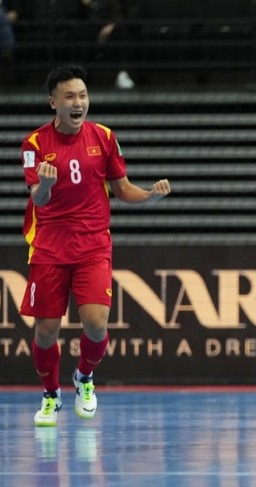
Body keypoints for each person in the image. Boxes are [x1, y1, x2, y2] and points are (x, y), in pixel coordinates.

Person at [20, 64, 171, 427]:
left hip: (92, 245)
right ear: (53, 102)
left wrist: (149, 196)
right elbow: (37, 201)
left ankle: (84, 378)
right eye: (69, 96)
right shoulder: (34, 145)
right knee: (45, 331)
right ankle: (50, 395)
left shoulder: (103, 137)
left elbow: (122, 188)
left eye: (83, 95)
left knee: (96, 324)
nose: (78, 102)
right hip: (49, 245)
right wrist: (45, 185)